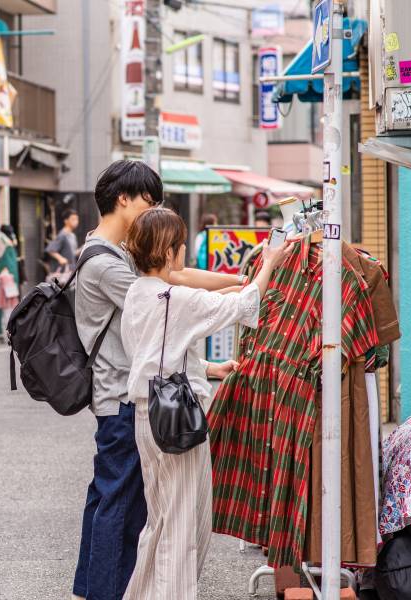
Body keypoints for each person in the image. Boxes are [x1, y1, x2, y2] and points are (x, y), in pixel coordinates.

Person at [72, 161, 245, 600]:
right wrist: (246, 288)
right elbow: (171, 295)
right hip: (120, 395)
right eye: (149, 199)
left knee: (111, 497)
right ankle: (106, 592)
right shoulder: (106, 264)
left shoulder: (117, 253)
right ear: (123, 199)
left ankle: (93, 588)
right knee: (121, 504)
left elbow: (174, 290)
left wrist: (238, 282)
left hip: (126, 390)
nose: (154, 207)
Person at [119, 208, 286, 599]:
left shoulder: (140, 292)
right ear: (168, 252)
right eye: (179, 245)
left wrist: (210, 369)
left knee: (160, 519)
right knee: (182, 524)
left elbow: (157, 353)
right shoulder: (172, 298)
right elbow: (243, 307)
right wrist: (271, 263)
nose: (182, 252)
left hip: (148, 413)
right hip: (176, 420)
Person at [46, 209, 80, 279]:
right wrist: (60, 258)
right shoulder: (62, 235)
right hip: (63, 272)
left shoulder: (73, 236)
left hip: (71, 270)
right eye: (73, 219)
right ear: (66, 221)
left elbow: (73, 253)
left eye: (77, 219)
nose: (76, 222)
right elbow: (50, 250)